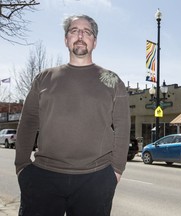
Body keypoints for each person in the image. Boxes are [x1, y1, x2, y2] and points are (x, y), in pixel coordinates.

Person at [15, 14, 131, 216]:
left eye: (87, 32)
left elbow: (123, 127)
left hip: (95, 179)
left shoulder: (112, 81)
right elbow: (28, 123)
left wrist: (116, 171)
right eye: (74, 30)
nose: (80, 35)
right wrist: (22, 166)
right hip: (43, 176)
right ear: (66, 39)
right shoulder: (44, 78)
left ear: (94, 41)